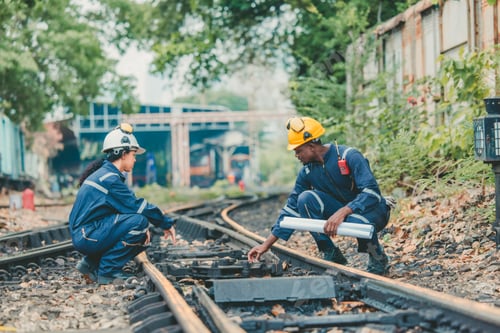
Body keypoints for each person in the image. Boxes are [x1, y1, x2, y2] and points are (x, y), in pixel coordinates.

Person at [247, 116, 391, 275]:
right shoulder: (307, 171)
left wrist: (343, 212)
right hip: (344, 213)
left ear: (311, 146)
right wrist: (266, 245)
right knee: (305, 199)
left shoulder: (349, 156)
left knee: (358, 221)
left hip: (373, 211)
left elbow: (371, 193)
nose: (296, 155)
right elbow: (291, 208)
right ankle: (331, 252)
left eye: (298, 150)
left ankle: (377, 257)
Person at [69, 123, 176, 284]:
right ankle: (108, 272)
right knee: (139, 223)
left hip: (87, 234)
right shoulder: (109, 179)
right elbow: (138, 206)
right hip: (87, 236)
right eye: (133, 154)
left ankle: (90, 264)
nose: (134, 159)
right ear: (123, 154)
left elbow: (123, 209)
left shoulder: (105, 175)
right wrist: (164, 222)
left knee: (139, 228)